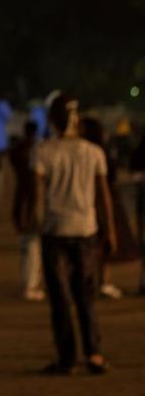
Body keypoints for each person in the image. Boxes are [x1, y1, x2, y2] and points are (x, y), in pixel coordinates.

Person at [34, 94, 116, 375]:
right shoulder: (93, 152)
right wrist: (111, 231)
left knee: (60, 298)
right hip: (87, 229)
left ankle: (66, 357)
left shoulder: (43, 151)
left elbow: (37, 196)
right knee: (85, 295)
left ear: (53, 120)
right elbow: (103, 196)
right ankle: (93, 353)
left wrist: (34, 224)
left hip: (55, 230)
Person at [77, 117, 139, 299]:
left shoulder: (89, 152)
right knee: (102, 243)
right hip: (101, 201)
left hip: (89, 201)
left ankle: (98, 280)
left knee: (95, 244)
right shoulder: (98, 153)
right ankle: (102, 280)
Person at [9, 120, 45, 301]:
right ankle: (30, 285)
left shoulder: (18, 150)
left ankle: (29, 283)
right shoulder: (39, 150)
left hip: (21, 196)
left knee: (27, 246)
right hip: (33, 200)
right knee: (32, 248)